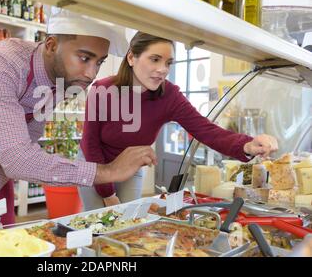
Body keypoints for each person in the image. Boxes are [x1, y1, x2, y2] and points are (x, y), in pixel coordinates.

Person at [0, 9, 157, 245]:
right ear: (51, 45)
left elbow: (26, 141)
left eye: (99, 62)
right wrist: (107, 171)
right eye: (84, 58)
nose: (90, 73)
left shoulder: (63, 80)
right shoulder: (0, 64)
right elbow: (18, 160)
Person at [78, 31, 278, 210]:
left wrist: (247, 145)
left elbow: (206, 130)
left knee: (127, 223)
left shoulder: (169, 95)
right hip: (96, 165)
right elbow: (90, 144)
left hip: (131, 169)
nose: (163, 69)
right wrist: (108, 193)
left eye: (168, 63)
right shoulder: (103, 90)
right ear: (131, 57)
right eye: (155, 59)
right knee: (97, 225)